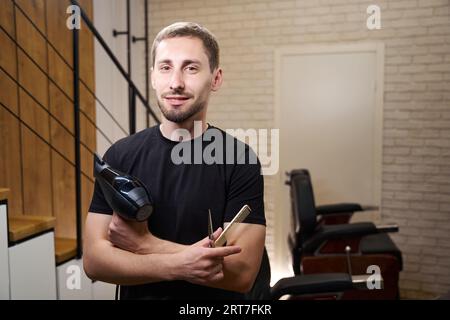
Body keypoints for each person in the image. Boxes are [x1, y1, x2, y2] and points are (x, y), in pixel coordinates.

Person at [84, 22, 266, 300]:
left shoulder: (239, 161)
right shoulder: (120, 156)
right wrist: (181, 264)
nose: (176, 82)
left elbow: (241, 275)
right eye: (165, 67)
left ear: (215, 79)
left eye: (191, 68)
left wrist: (145, 245)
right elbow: (94, 262)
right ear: (154, 76)